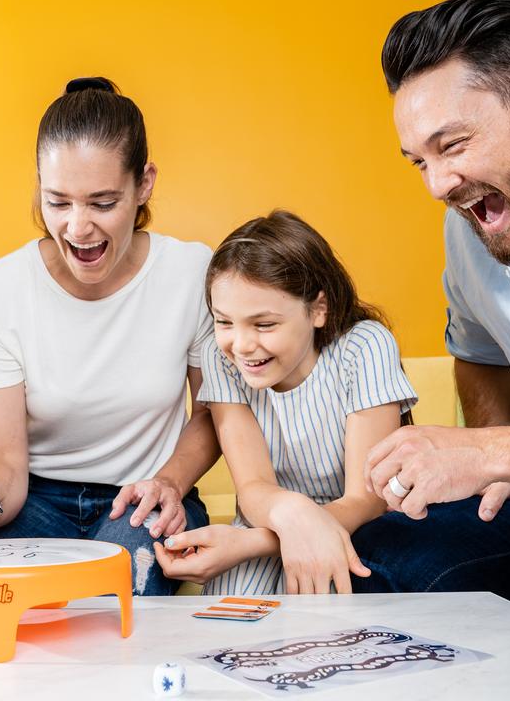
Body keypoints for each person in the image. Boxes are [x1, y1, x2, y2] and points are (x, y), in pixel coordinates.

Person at [0, 77, 218, 595]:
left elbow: (215, 409)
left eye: (102, 203)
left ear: (144, 183)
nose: (78, 228)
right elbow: (5, 459)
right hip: (33, 498)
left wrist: (171, 481)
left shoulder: (193, 272)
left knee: (114, 596)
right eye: (58, 202)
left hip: (146, 493)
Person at [357, 0, 510, 625]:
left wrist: (496, 452)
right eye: (418, 162)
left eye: (453, 145)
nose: (437, 186)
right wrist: (497, 460)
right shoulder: (471, 225)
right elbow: (479, 353)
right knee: (384, 552)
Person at [155, 210, 416, 593]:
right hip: (267, 516)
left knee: (326, 622)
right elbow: (254, 487)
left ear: (317, 310)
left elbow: (367, 500)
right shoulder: (219, 356)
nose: (241, 346)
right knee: (230, 619)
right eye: (224, 322)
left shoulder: (364, 347)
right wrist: (285, 514)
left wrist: (250, 543)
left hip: (359, 526)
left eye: (264, 324)